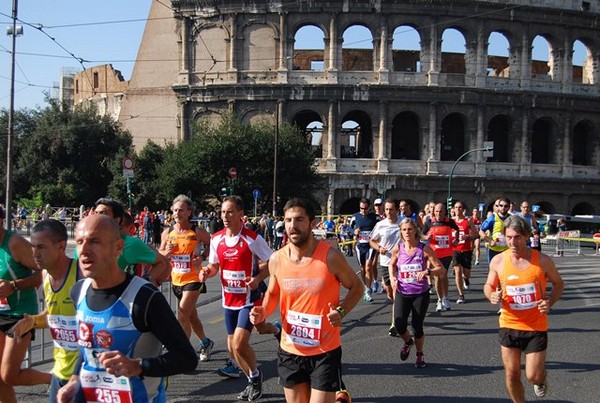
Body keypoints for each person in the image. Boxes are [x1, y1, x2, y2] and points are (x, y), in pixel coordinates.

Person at [55, 215, 197, 402]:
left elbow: (187, 358)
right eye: (80, 242)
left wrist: (138, 366)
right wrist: (74, 380)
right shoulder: (78, 291)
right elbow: (87, 350)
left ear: (118, 248)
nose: (84, 250)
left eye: (94, 242)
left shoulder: (144, 297)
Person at [249, 198, 363, 403]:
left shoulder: (330, 257)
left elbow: (357, 287)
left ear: (312, 223)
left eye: (299, 219)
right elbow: (273, 294)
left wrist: (342, 311)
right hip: (290, 348)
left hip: (324, 350)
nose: (293, 225)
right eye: (288, 220)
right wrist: (262, 313)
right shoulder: (277, 259)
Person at [483, 215, 564, 402]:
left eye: (517, 237)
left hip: (535, 326)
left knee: (533, 376)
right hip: (509, 323)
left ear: (526, 236)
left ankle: (541, 379)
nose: (512, 242)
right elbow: (488, 286)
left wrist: (549, 302)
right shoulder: (498, 261)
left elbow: (559, 284)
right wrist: (491, 295)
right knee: (511, 375)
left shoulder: (542, 261)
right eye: (509, 237)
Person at [200, 196, 273, 401]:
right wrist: (206, 271)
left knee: (240, 344)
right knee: (233, 348)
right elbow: (214, 266)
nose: (225, 216)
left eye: (230, 211)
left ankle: (256, 378)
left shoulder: (251, 238)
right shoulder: (216, 239)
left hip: (249, 300)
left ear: (241, 214)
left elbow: (273, 262)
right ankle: (252, 379)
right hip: (228, 300)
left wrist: (258, 278)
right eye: (223, 212)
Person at [11, 220, 82, 402]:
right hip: (60, 371)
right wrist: (33, 321)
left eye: (41, 247)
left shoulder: (81, 275)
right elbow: (52, 315)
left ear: (61, 246)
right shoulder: (45, 275)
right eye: (33, 247)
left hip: (83, 374)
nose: (35, 254)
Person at [0, 207, 48, 403]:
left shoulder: (14, 243)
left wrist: (14, 285)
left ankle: (57, 378)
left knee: (9, 374)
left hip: (21, 315)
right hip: (1, 312)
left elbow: (43, 271)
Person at [159, 195, 214, 360]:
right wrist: (166, 252)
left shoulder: (197, 231)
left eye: (181, 210)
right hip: (176, 279)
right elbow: (159, 255)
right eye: (175, 210)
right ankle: (205, 342)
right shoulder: (167, 232)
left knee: (182, 313)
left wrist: (202, 256)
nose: (177, 213)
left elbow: (213, 245)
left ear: (189, 212)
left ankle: (185, 353)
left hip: (193, 278)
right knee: (191, 316)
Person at [389, 218, 444, 368]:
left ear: (415, 231)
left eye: (410, 229)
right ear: (401, 232)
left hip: (420, 293)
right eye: (404, 230)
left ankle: (420, 355)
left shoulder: (424, 249)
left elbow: (441, 269)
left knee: (416, 326)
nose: (407, 232)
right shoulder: (398, 249)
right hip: (402, 292)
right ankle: (408, 342)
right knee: (399, 325)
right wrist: (393, 277)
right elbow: (391, 264)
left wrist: (428, 271)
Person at [92, 198, 170, 286]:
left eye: (103, 213)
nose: (97, 217)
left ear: (116, 220)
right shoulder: (86, 242)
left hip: (121, 298)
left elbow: (161, 263)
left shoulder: (130, 244)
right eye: (96, 213)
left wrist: (142, 282)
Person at [369, 198, 401, 335]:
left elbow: (415, 235)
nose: (388, 212)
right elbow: (372, 240)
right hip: (385, 262)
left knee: (396, 290)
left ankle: (395, 323)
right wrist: (379, 247)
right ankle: (400, 306)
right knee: (389, 292)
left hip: (401, 263)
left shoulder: (403, 223)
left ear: (397, 210)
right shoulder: (380, 225)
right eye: (386, 209)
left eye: (391, 209)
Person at [421, 203, 458, 312]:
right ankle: (439, 299)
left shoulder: (450, 222)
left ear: (444, 212)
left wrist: (455, 240)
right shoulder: (429, 222)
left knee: (444, 275)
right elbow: (421, 234)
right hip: (434, 254)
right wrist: (426, 237)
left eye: (440, 211)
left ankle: (445, 298)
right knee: (437, 277)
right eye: (436, 211)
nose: (438, 213)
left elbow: (457, 231)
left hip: (446, 253)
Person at [351, 198, 379, 302]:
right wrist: (354, 231)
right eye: (361, 208)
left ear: (369, 207)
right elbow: (349, 228)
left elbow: (381, 228)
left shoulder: (375, 217)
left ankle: (367, 291)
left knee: (368, 266)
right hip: (360, 246)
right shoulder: (355, 217)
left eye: (365, 208)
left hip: (371, 245)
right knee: (362, 269)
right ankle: (367, 287)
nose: (363, 210)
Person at [451, 201, 478, 303]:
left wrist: (468, 236)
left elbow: (476, 234)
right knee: (457, 271)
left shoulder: (468, 221)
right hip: (455, 250)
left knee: (466, 273)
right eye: (456, 207)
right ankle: (461, 295)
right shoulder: (451, 221)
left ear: (463, 209)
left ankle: (466, 279)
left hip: (466, 250)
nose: (458, 209)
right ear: (453, 209)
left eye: (460, 207)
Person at [479, 197, 511, 264]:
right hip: (494, 250)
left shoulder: (511, 218)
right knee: (494, 271)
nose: (503, 208)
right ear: (498, 207)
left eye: (506, 206)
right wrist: (489, 241)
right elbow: (481, 231)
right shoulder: (493, 218)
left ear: (508, 207)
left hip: (507, 250)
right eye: (501, 206)